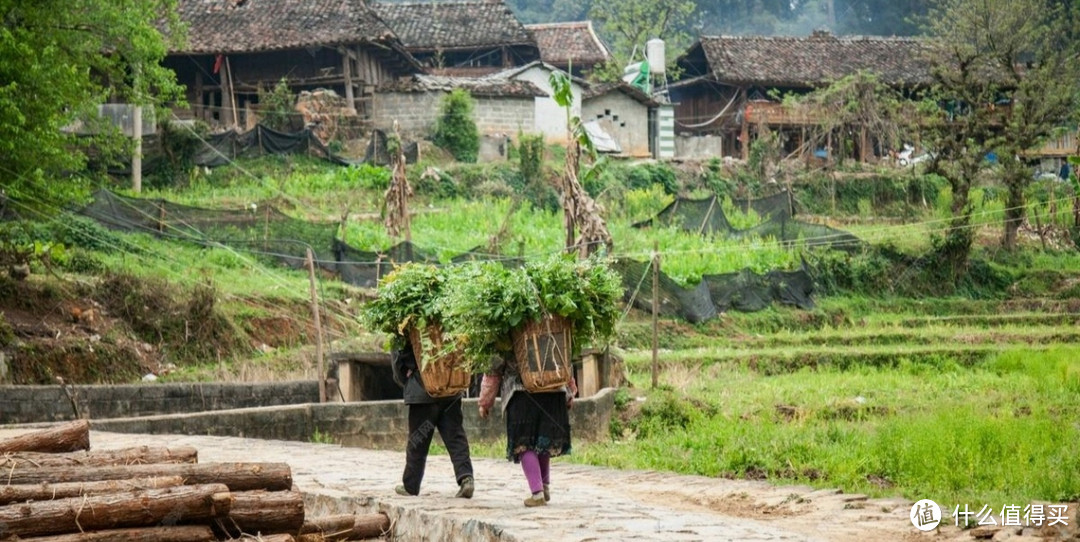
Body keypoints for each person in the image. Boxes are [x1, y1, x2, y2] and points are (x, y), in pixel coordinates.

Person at [478, 356, 576, 507]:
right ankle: (544, 485)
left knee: (524, 443)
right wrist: (569, 391)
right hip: (554, 390)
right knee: (544, 439)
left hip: (522, 393)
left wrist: (485, 402)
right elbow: (564, 357)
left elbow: (493, 368)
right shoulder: (554, 332)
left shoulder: (505, 335)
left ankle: (537, 493)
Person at [391, 340, 474, 498]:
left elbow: (398, 364)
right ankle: (466, 478)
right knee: (455, 436)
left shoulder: (404, 331)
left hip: (422, 396)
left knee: (418, 440)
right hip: (450, 390)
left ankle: (410, 486)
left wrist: (409, 382)